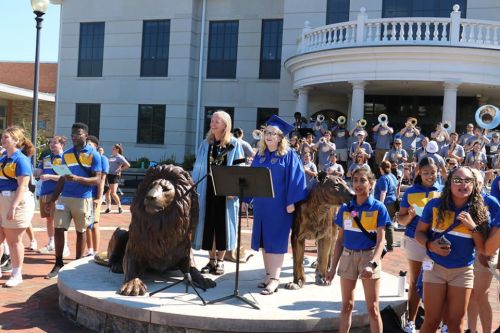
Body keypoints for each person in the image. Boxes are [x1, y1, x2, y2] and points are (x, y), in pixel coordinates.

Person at [415, 166, 488, 333]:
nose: (463, 184)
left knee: (456, 324)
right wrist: (430, 245)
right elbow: (419, 233)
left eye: (468, 180)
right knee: (432, 321)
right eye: (457, 180)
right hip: (435, 268)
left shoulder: (479, 210)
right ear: (449, 183)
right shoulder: (434, 205)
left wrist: (473, 227)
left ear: (474, 184)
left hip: (462, 272)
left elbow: (482, 248)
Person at [326, 166, 389, 333]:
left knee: (373, 309)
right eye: (355, 180)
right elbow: (339, 240)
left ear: (371, 183)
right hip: (348, 256)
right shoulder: (345, 208)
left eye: (363, 180)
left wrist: (373, 263)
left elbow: (381, 240)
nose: (358, 184)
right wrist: (332, 268)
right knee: (346, 306)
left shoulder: (378, 208)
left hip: (369, 256)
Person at [250, 115, 307, 295]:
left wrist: (291, 202)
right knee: (264, 242)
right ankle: (268, 275)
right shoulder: (260, 156)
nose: (268, 136)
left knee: (275, 241)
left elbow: (297, 179)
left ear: (281, 137)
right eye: (266, 132)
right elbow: (250, 179)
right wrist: (246, 200)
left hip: (279, 206)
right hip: (261, 205)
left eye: (273, 133)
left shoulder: (288, 155)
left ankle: (275, 279)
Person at [44, 122, 102, 279]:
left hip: (83, 198)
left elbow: (97, 179)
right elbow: (62, 177)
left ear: (86, 136)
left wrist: (78, 178)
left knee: (81, 231)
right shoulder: (67, 154)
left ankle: (76, 265)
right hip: (65, 197)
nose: (74, 137)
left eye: (78, 134)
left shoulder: (93, 154)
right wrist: (53, 199)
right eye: (73, 134)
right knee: (58, 228)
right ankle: (58, 263)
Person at [192, 110, 244, 276]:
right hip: (206, 189)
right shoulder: (205, 144)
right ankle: (211, 260)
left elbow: (240, 168)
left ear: (225, 125)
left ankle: (220, 260)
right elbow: (197, 168)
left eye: (217, 121)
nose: (213, 123)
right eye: (212, 120)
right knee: (207, 225)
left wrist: (234, 189)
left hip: (225, 192)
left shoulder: (234, 144)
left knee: (222, 226)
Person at [397, 157, 442, 333]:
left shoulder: (443, 190)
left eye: (432, 172)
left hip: (437, 241)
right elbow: (400, 219)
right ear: (419, 172)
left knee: (438, 282)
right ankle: (411, 321)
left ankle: (441, 322)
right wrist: (409, 215)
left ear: (438, 171)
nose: (429, 176)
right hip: (414, 240)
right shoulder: (410, 192)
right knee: (416, 281)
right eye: (426, 172)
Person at [0, 126, 35, 287]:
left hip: (17, 200)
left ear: (15, 140)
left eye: (6, 137)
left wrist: (13, 206)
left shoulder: (21, 160)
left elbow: (22, 186)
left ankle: (16, 273)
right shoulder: (3, 158)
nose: (2, 139)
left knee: (14, 240)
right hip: (2, 199)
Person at [465, 169, 498, 333]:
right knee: (470, 295)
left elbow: (495, 231)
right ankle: (472, 329)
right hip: (466, 252)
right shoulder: (462, 200)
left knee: (481, 295)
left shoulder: (491, 201)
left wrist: (488, 252)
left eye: (476, 182)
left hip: (484, 251)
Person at [35, 136, 70, 258]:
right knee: (49, 219)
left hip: (59, 194)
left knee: (60, 221)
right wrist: (35, 170)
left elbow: (65, 177)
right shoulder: (46, 158)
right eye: (50, 142)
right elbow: (38, 173)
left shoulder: (64, 158)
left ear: (62, 145)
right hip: (45, 192)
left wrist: (49, 176)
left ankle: (65, 246)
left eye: (55, 143)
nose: (52, 145)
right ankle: (51, 242)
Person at [85, 137, 109, 257]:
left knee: (94, 223)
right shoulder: (85, 158)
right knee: (86, 224)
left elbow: (102, 180)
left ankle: (95, 251)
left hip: (95, 195)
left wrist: (99, 197)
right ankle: (89, 250)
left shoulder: (102, 159)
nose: (87, 146)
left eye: (90, 144)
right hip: (85, 195)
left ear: (95, 145)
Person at [373, 160, 398, 251]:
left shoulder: (383, 178)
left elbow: (383, 192)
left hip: (386, 203)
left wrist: (380, 205)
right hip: (393, 202)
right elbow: (396, 188)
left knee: (385, 224)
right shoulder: (392, 176)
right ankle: (389, 244)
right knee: (389, 223)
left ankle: (387, 245)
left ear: (381, 168)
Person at [105, 143, 129, 214]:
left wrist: (120, 169)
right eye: (112, 149)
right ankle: (108, 207)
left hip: (114, 176)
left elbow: (127, 165)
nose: (112, 150)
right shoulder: (111, 156)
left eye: (113, 149)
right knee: (107, 193)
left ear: (117, 150)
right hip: (108, 175)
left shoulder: (120, 157)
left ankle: (119, 207)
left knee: (113, 193)